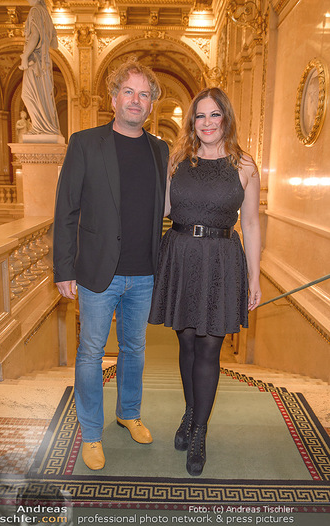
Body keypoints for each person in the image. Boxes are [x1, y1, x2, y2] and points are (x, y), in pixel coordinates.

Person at [53, 58, 169, 471]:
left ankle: (129, 413)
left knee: (135, 349)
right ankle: (91, 432)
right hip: (97, 272)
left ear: (151, 104)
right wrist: (64, 268)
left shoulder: (160, 149)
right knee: (90, 353)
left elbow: (163, 209)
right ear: (114, 97)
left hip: (144, 273)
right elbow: (66, 209)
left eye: (144, 94)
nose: (135, 100)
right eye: (128, 92)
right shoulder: (85, 143)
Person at [149, 87, 261, 476]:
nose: (208, 123)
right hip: (180, 254)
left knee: (210, 348)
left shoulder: (244, 165)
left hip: (221, 260)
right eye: (200, 116)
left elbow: (250, 222)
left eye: (215, 115)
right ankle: (190, 410)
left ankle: (199, 431)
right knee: (186, 343)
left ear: (226, 119)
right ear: (192, 122)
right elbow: (159, 208)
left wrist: (254, 275)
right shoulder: (177, 160)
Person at [19, 0, 60, 136]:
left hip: (35, 62)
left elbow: (35, 35)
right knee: (42, 95)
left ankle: (39, 128)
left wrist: (25, 56)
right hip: (44, 62)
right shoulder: (46, 14)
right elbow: (55, 43)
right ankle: (43, 126)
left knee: (27, 94)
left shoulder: (35, 11)